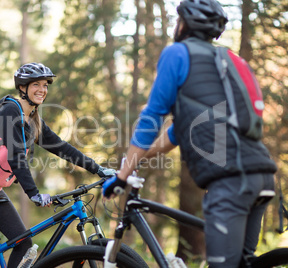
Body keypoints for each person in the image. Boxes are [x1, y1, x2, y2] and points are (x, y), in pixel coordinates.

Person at [102, 0, 277, 267]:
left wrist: (122, 175)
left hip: (230, 183)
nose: (175, 25)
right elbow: (173, 135)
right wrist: (134, 161)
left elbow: (152, 118)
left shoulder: (177, 54)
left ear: (185, 24)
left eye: (178, 19)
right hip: (262, 178)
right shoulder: (229, 59)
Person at [0, 62, 115, 268]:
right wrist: (33, 193)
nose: (42, 90)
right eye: (36, 85)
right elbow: (15, 157)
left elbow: (62, 148)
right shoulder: (9, 111)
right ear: (23, 87)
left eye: (45, 85)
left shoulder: (32, 119)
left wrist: (98, 169)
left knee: (23, 243)